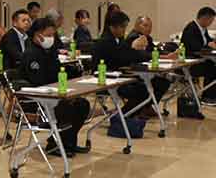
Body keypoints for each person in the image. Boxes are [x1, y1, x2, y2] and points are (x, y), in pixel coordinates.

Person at [20, 18, 92, 156]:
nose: (51, 38)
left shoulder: (50, 52)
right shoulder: (31, 54)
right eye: (48, 35)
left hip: (54, 95)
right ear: (37, 35)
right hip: (36, 99)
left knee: (82, 105)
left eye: (52, 35)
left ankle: (68, 143)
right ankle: (54, 144)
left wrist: (75, 72)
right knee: (66, 108)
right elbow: (38, 80)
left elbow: (58, 71)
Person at [92, 10, 153, 115]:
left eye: (125, 26)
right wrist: (133, 48)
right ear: (113, 27)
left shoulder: (119, 39)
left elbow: (127, 56)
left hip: (118, 77)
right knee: (142, 90)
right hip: (106, 79)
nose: (124, 30)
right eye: (122, 27)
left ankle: (127, 115)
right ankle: (123, 116)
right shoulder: (105, 41)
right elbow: (120, 59)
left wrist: (135, 50)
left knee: (147, 88)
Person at [181, 6, 216, 108]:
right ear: (204, 18)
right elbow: (195, 47)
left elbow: (208, 41)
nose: (211, 23)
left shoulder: (202, 29)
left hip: (201, 60)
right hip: (191, 64)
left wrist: (212, 43)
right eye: (211, 20)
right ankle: (208, 97)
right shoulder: (191, 29)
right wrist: (209, 46)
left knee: (212, 65)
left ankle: (210, 95)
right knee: (212, 68)